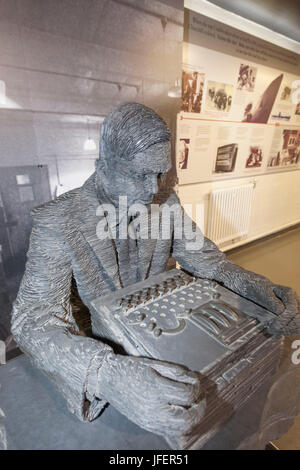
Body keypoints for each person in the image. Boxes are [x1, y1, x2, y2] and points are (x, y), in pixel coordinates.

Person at [11, 102, 300, 440]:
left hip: (163, 341)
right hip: (102, 358)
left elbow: (208, 260)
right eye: (139, 174)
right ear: (102, 167)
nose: (153, 189)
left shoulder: (166, 202)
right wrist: (106, 375)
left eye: (159, 174)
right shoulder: (57, 221)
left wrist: (254, 286)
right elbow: (31, 320)